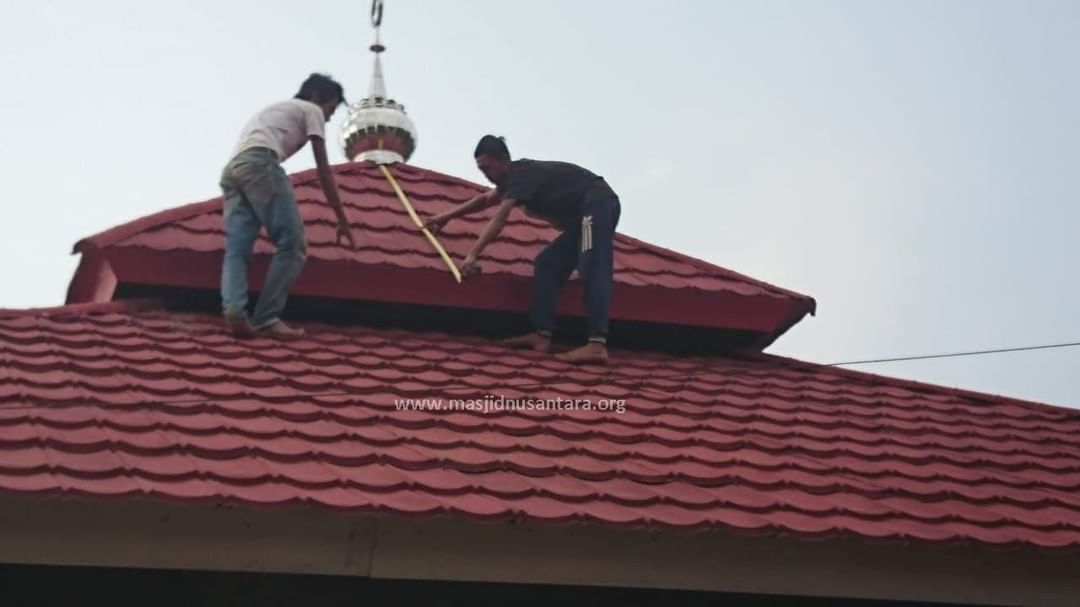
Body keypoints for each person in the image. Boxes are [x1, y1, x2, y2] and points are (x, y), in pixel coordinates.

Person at [426, 135, 621, 364]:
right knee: (547, 263)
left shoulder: (522, 175)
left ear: (504, 161)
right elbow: (484, 200)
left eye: (488, 168)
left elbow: (500, 218)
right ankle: (542, 334)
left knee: (591, 264)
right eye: (481, 170)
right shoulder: (510, 182)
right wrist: (445, 217)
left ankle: (596, 344)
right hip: (580, 219)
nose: (486, 175)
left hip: (596, 204)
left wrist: (472, 255)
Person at [219, 73, 356, 338]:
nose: (328, 117)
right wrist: (341, 218)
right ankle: (266, 317)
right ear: (317, 96)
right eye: (331, 108)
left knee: (237, 248)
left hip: (233, 171)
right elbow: (324, 171)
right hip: (260, 164)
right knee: (292, 243)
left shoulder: (276, 110)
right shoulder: (310, 109)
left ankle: (235, 310)